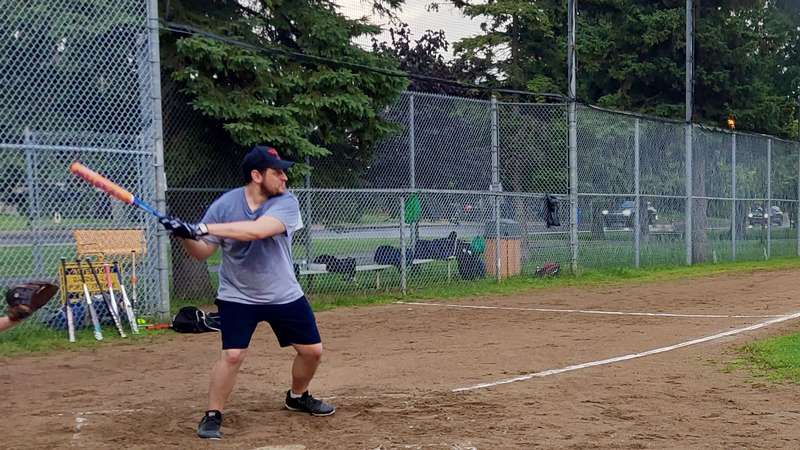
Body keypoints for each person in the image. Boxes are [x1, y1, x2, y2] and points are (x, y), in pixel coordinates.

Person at [160, 145, 335, 440]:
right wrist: (186, 236)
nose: (284, 178)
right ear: (256, 175)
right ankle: (213, 414)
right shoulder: (225, 205)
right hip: (238, 295)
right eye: (277, 172)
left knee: (312, 352)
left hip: (283, 293)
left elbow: (257, 231)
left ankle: (297, 396)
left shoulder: (286, 203)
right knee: (232, 355)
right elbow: (202, 252)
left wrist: (201, 227)